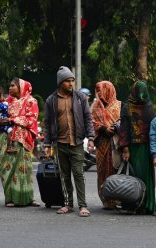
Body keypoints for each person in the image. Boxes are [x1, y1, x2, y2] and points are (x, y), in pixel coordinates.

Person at [44, 66, 95, 217]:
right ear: (60, 82)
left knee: (78, 174)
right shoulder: (51, 101)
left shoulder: (80, 98)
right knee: (64, 175)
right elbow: (47, 123)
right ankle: (68, 204)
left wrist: (91, 138)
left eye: (72, 80)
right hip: (59, 144)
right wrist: (47, 144)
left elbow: (88, 118)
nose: (71, 83)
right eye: (68, 81)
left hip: (77, 142)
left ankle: (83, 205)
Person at [0, 78, 40, 207]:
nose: (9, 88)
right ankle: (10, 198)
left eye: (13, 86)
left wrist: (12, 119)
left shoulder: (31, 101)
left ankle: (28, 198)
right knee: (7, 168)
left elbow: (31, 119)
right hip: (5, 138)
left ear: (21, 87)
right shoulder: (5, 102)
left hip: (22, 139)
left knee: (25, 169)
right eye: (9, 86)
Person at [119, 80, 156, 215]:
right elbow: (123, 129)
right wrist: (125, 148)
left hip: (147, 147)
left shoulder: (149, 106)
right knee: (135, 175)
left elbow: (154, 127)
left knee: (147, 176)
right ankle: (132, 204)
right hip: (133, 148)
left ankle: (148, 205)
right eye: (139, 90)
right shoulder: (127, 107)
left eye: (143, 90)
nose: (141, 94)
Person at [91, 81, 122, 209]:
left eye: (101, 90)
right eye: (97, 90)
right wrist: (104, 129)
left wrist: (114, 128)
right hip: (102, 145)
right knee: (102, 171)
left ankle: (118, 199)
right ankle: (106, 200)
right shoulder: (95, 106)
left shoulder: (119, 105)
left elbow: (123, 122)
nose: (99, 93)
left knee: (115, 170)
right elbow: (92, 123)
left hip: (115, 144)